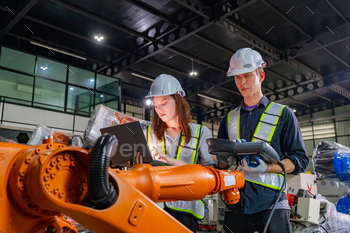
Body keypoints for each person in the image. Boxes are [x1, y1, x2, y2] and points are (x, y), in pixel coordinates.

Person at [217, 48, 309, 233]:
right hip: (236, 205)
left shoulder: (283, 115)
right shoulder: (228, 119)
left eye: (248, 75)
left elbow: (300, 160)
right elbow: (221, 164)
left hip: (271, 205)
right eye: (237, 77)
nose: (242, 82)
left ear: (261, 75)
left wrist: (267, 167)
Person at [133, 74, 217, 232]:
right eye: (156, 105)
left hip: (186, 211)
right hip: (154, 207)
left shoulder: (201, 133)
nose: (159, 109)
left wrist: (171, 161)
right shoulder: (146, 133)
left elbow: (210, 175)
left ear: (178, 101)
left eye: (164, 103)